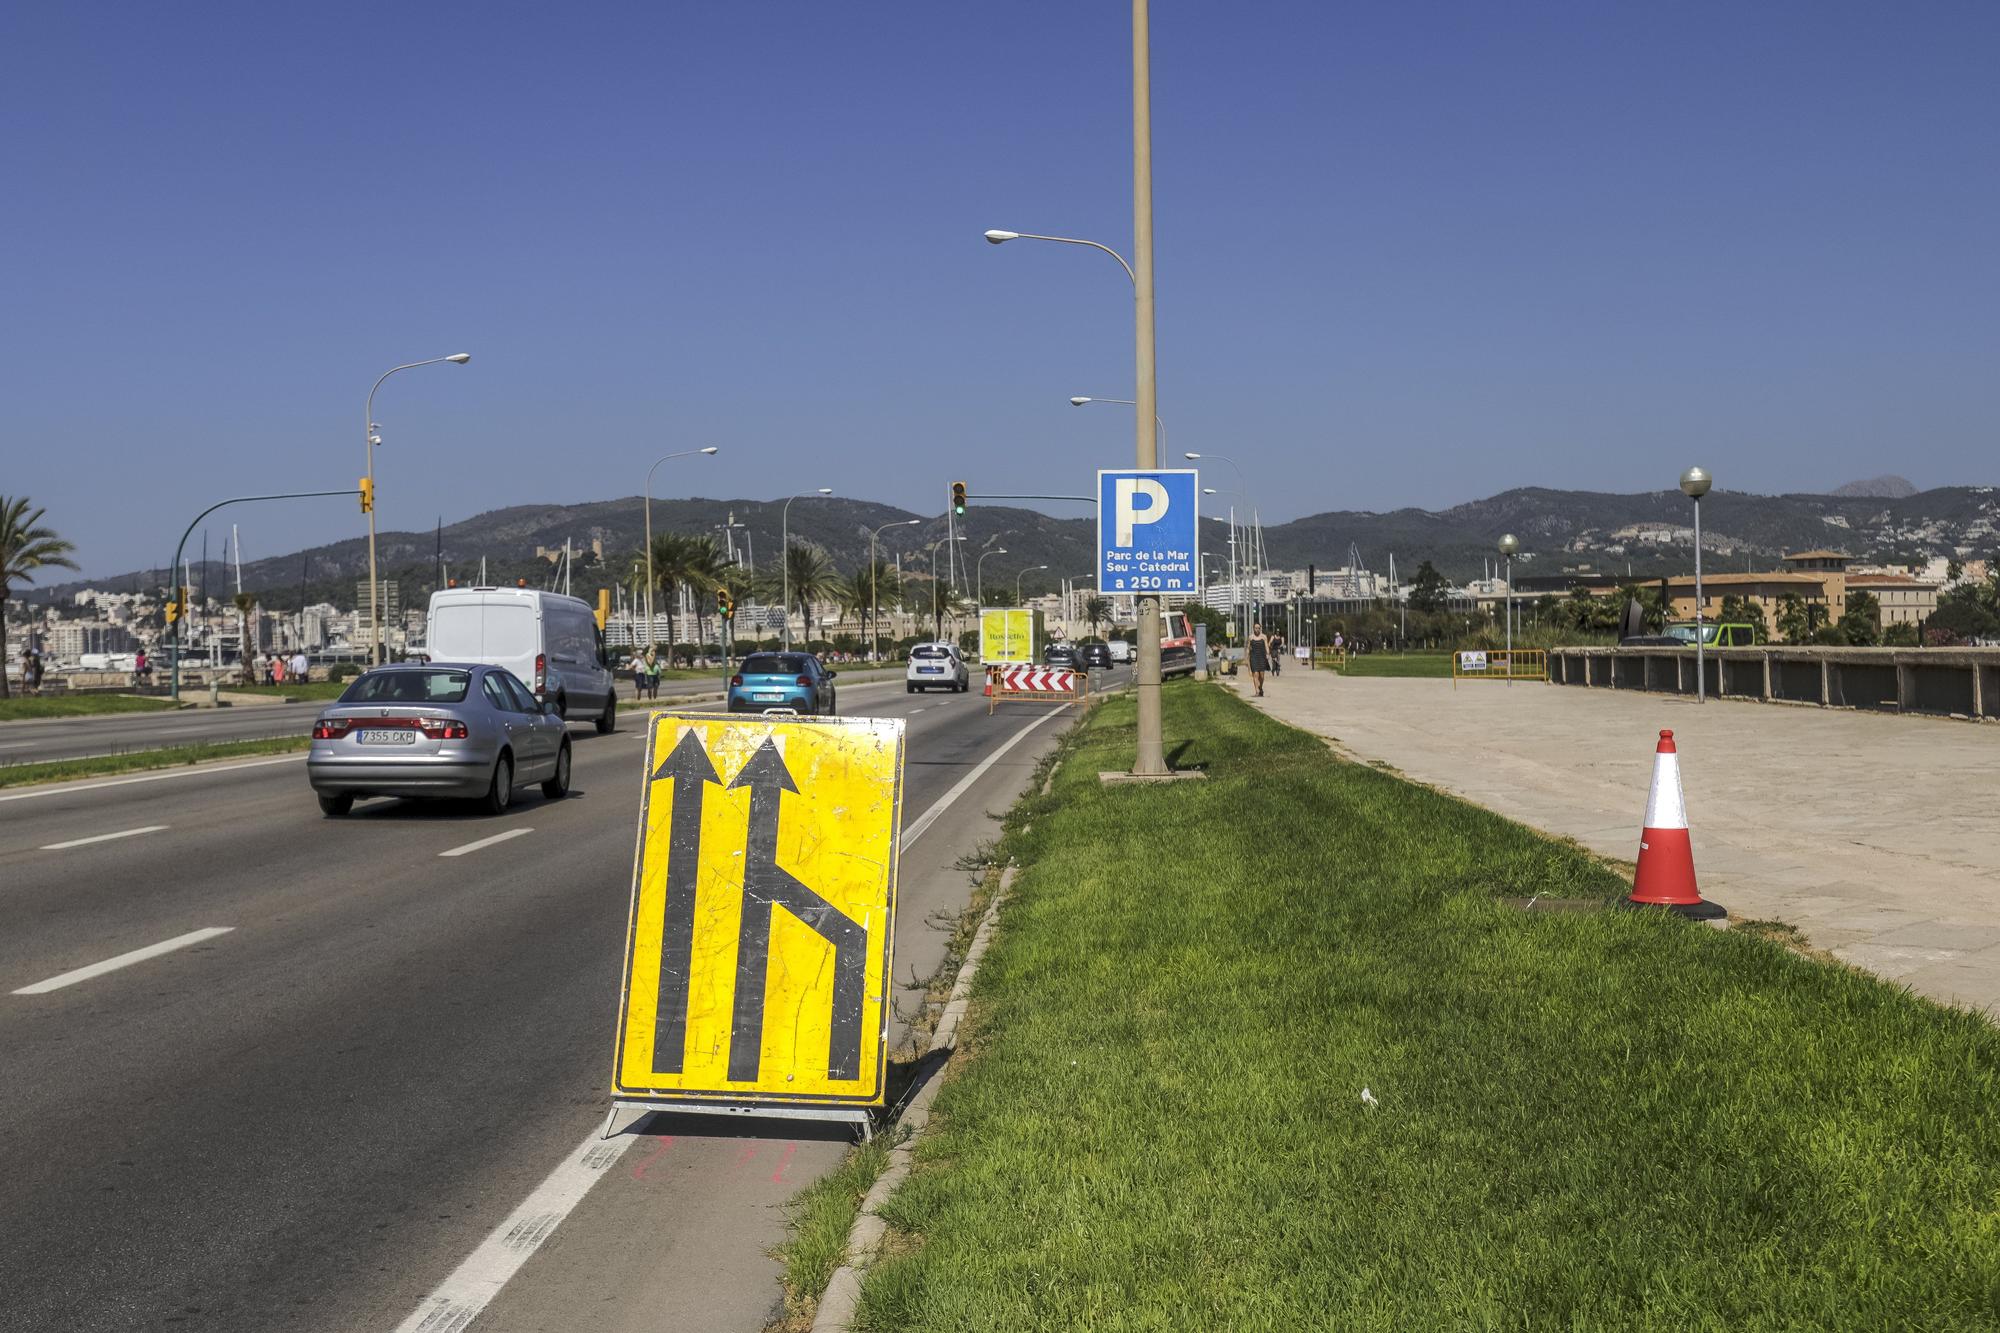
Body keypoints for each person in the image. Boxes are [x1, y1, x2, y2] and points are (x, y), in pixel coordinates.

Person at [1247, 623, 1270, 697]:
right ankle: (1257, 691)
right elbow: (1248, 648)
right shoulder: (1250, 637)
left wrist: (1268, 653)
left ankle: (1260, 687)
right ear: (1253, 628)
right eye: (1256, 628)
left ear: (1260, 628)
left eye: (1258, 628)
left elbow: (1266, 646)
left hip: (1262, 656)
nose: (1257, 629)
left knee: (1262, 675)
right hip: (1253, 657)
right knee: (1255, 674)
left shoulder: (1264, 637)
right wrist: (1247, 656)